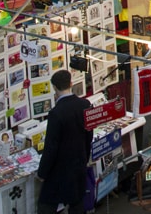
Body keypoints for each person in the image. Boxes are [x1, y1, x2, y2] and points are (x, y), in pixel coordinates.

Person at [37, 70, 92, 214]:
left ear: (54, 88)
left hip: (60, 171)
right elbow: (89, 135)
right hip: (78, 165)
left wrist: (42, 173)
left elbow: (51, 147)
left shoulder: (56, 113)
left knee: (46, 205)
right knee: (77, 203)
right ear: (71, 84)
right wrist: (84, 158)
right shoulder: (85, 104)